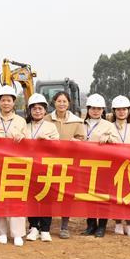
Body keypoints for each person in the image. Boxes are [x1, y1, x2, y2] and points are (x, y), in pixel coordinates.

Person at [0, 84, 27, 246]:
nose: (6, 103)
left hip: (15, 164)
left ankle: (17, 233)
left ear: (14, 102)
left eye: (9, 100)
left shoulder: (21, 121)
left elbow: (29, 142)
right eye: (3, 100)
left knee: (16, 198)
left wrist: (22, 137)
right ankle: (2, 231)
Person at [23, 93, 60, 242]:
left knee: (46, 197)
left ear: (45, 110)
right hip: (29, 168)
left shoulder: (51, 126)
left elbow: (57, 146)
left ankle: (45, 229)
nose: (37, 111)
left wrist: (47, 142)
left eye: (40, 108)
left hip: (46, 167)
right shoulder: (25, 126)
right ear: (30, 110)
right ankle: (33, 227)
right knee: (31, 198)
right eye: (34, 109)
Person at [50, 91, 85, 238]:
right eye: (59, 101)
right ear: (54, 102)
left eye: (64, 101)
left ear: (69, 103)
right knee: (48, 193)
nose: (61, 104)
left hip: (69, 164)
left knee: (66, 195)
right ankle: (45, 225)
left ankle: (64, 227)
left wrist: (77, 142)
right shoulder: (47, 119)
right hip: (50, 163)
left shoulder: (77, 122)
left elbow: (82, 140)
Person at [81, 94, 114, 237]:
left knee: (102, 196)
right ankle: (91, 224)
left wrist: (109, 138)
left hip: (103, 166)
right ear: (88, 109)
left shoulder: (109, 125)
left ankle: (102, 226)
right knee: (88, 196)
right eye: (93, 108)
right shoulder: (81, 124)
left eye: (99, 109)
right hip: (85, 166)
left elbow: (117, 142)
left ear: (103, 110)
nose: (95, 111)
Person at [109, 95, 130, 237]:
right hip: (114, 166)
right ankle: (117, 223)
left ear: (129, 110)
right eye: (118, 109)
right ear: (114, 111)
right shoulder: (108, 127)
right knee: (116, 194)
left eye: (124, 109)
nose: (121, 112)